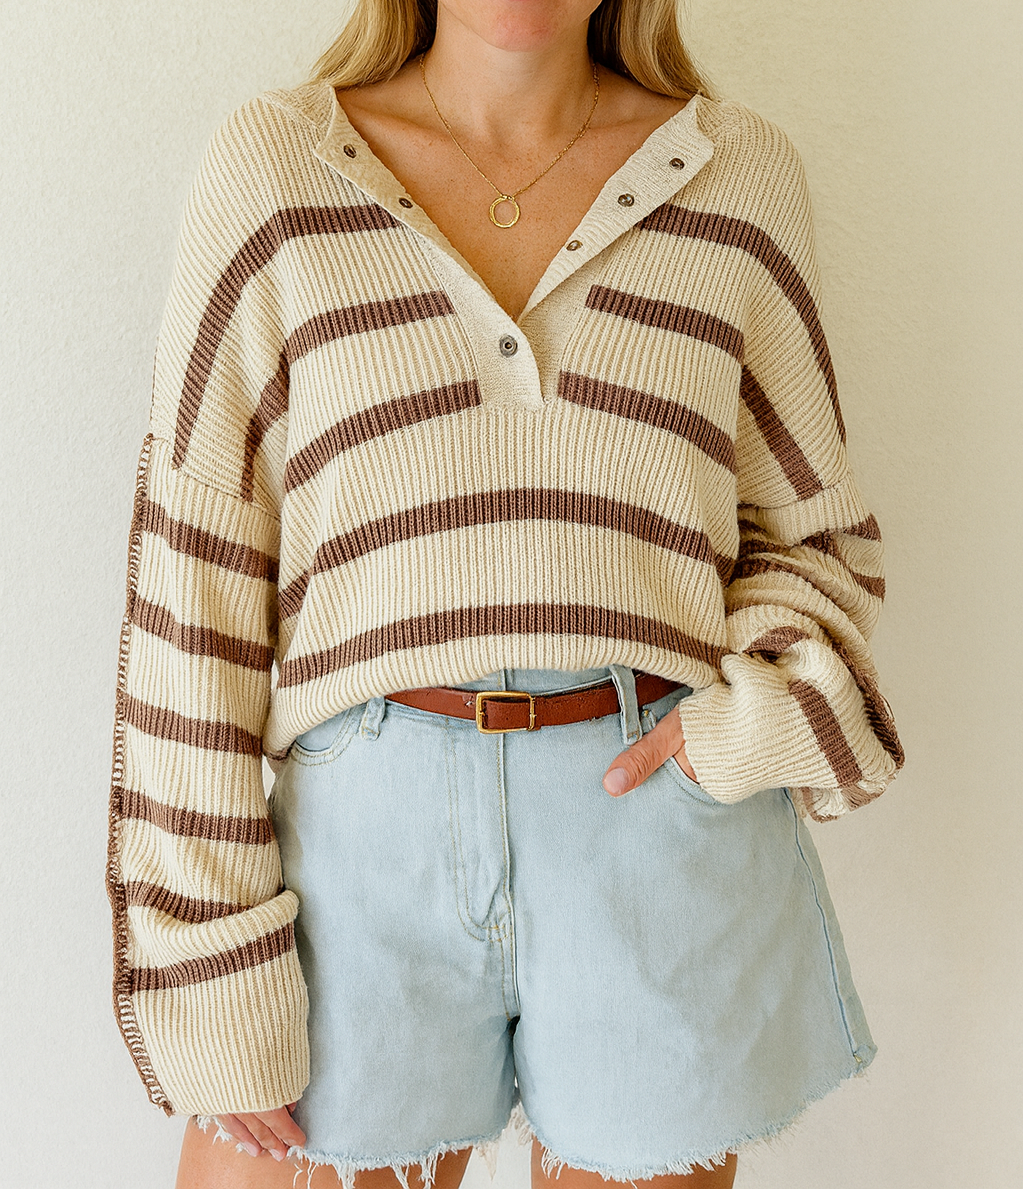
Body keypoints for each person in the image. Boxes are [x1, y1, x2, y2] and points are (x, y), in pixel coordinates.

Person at [106, 1, 905, 1187]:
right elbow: (193, 584)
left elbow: (813, 537)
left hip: (657, 833)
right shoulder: (276, 170)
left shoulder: (738, 177)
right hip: (356, 861)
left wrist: (744, 727)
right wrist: (210, 956)